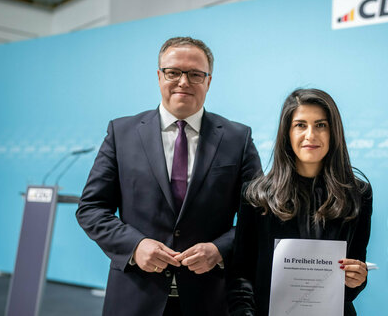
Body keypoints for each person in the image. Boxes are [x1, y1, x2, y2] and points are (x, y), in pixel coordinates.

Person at [76, 37, 262, 316]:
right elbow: (91, 209)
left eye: (195, 74)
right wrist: (135, 245)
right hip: (135, 296)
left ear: (208, 81)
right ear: (159, 76)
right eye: (173, 72)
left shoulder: (238, 138)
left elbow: (258, 215)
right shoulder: (121, 133)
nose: (183, 82)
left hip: (209, 299)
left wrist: (219, 249)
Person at [228, 88, 372, 316]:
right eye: (301, 125)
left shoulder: (358, 194)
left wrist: (358, 279)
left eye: (321, 125)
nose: (311, 135)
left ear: (334, 132)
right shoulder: (256, 195)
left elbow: (355, 269)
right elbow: (241, 275)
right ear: (287, 133)